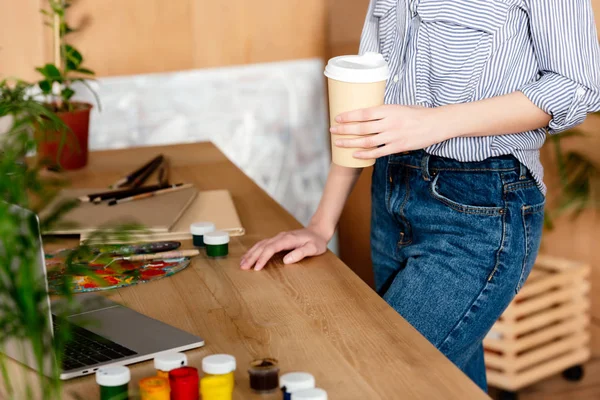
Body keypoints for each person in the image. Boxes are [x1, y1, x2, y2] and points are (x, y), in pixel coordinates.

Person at [240, 0, 600, 390]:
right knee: (447, 384)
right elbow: (364, 102)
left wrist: (434, 123)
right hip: (391, 195)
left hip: (478, 209)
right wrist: (319, 224)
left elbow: (577, 86)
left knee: (372, 375)